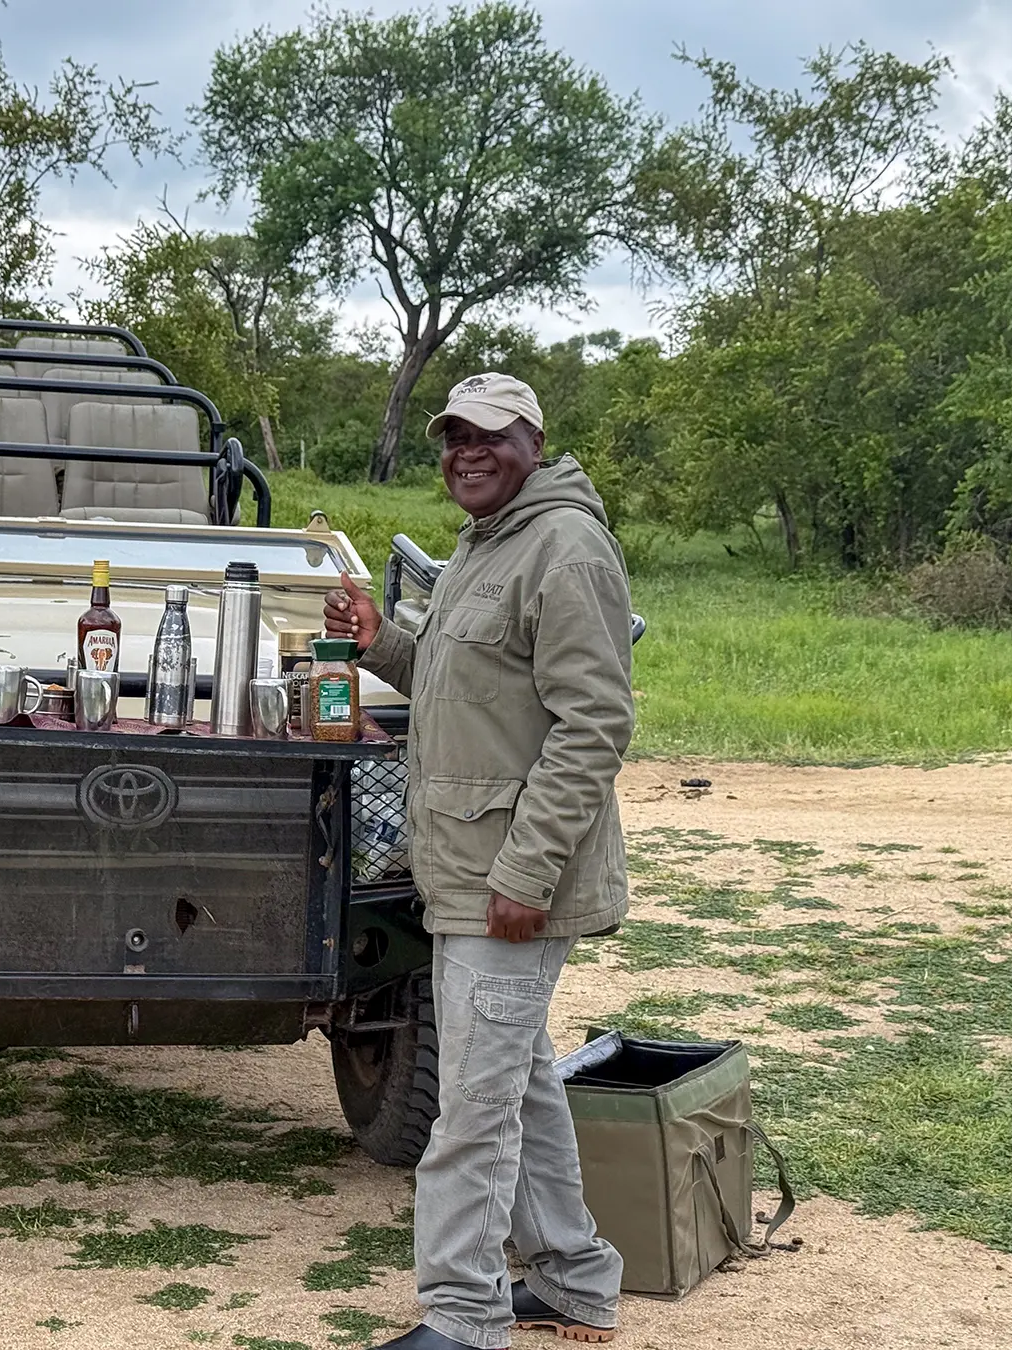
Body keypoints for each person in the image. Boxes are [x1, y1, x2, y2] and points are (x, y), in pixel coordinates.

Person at [324, 373, 634, 1348]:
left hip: (508, 879)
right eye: (454, 435)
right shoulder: (483, 545)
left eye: (490, 436)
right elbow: (463, 683)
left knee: (473, 1110)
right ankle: (577, 1279)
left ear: (534, 441)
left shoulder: (567, 550)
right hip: (467, 871)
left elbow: (593, 726)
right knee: (517, 1083)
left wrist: (527, 873)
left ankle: (461, 1318)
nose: (467, 451)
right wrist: (384, 642)